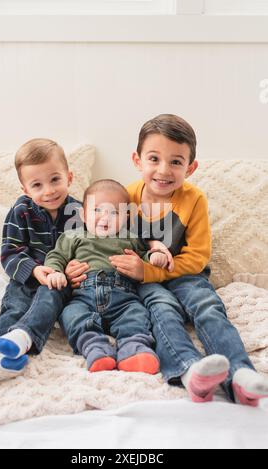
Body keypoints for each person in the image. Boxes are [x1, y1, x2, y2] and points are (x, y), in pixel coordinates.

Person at [70, 115, 268, 407]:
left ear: (191, 167)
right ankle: (188, 370)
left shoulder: (194, 199)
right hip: (143, 279)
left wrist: (150, 271)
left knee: (207, 306)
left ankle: (239, 373)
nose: (164, 170)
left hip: (184, 273)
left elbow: (197, 256)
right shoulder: (124, 198)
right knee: (161, 311)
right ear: (138, 160)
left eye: (176, 162)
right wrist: (74, 267)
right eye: (154, 158)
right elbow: (101, 242)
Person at [0, 138, 81, 386]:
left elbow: (85, 248)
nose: (49, 190)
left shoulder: (78, 211)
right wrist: (33, 269)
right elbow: (9, 253)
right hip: (27, 276)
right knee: (15, 306)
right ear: (26, 189)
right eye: (37, 184)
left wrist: (75, 267)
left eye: (55, 179)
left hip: (58, 280)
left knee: (48, 302)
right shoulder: (21, 210)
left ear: (69, 177)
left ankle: (20, 342)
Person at [47, 179, 175, 374]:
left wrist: (153, 256)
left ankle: (134, 350)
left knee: (136, 316)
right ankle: (95, 348)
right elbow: (56, 255)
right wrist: (56, 271)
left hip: (123, 296)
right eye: (97, 210)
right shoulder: (73, 236)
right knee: (71, 315)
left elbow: (141, 257)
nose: (105, 217)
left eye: (115, 212)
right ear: (83, 214)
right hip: (83, 295)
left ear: (126, 217)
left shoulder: (129, 238)